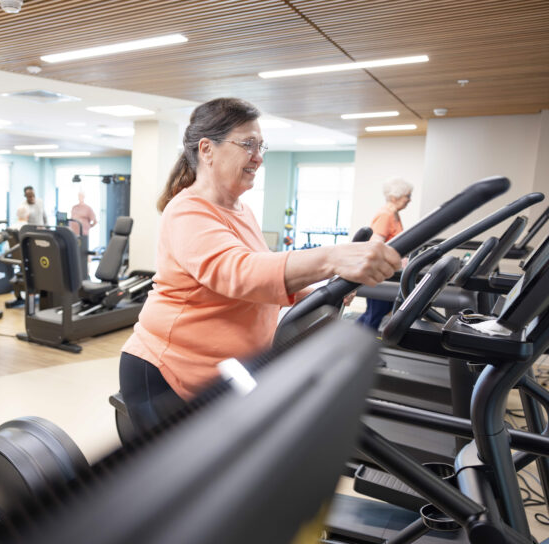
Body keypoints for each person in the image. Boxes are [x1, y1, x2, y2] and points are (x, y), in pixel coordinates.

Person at [119, 98, 402, 432]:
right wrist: (332, 257)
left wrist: (317, 293)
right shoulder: (187, 210)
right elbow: (238, 272)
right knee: (181, 481)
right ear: (207, 149)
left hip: (225, 370)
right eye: (248, 145)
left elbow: (263, 274)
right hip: (168, 371)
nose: (258, 156)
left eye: (261, 145)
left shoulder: (242, 210)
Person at [355, 177, 413, 330]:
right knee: (375, 313)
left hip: (390, 273)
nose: (409, 200)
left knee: (378, 312)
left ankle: (354, 338)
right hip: (379, 273)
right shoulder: (385, 215)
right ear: (395, 197)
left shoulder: (394, 215)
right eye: (407, 196)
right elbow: (375, 245)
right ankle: (356, 342)